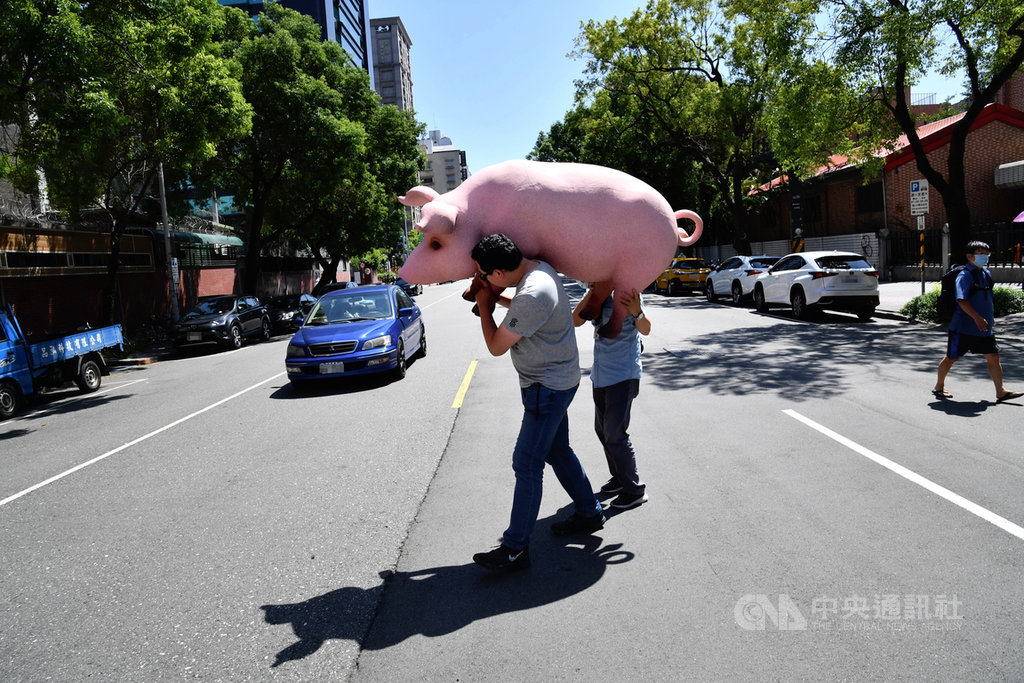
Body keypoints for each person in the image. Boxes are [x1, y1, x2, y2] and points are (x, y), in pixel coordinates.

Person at [468, 233, 605, 573]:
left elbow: (497, 346)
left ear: (499, 273)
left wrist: (485, 304)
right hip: (556, 381)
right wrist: (495, 298)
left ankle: (515, 549)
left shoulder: (532, 292)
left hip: (547, 387)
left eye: (485, 275)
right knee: (557, 451)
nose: (483, 280)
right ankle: (590, 511)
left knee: (527, 463)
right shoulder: (537, 269)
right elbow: (526, 314)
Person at [573, 286, 650, 510]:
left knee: (615, 434)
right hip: (601, 375)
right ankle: (619, 477)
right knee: (602, 430)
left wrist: (638, 312)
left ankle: (634, 489)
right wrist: (593, 291)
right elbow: (576, 320)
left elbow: (645, 329)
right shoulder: (596, 293)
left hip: (623, 375)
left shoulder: (626, 292)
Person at [933, 240, 1022, 402]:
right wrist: (977, 318)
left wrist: (989, 318)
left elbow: (985, 298)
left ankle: (1000, 391)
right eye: (981, 254)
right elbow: (962, 300)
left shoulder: (986, 273)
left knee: (993, 356)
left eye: (986, 254)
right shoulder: (964, 276)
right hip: (963, 328)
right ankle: (939, 386)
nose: (985, 257)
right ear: (969, 256)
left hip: (983, 328)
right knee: (952, 357)